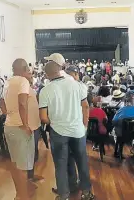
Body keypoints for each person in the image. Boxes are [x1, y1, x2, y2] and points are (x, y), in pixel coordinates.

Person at [39, 56, 95, 200]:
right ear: (60, 70)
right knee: (82, 162)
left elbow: (43, 117)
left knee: (60, 165)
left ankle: (64, 195)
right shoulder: (76, 85)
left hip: (58, 133)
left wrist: (56, 121)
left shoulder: (45, 90)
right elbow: (86, 106)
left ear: (46, 75)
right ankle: (87, 193)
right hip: (78, 131)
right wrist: (84, 125)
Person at [0, 59, 39, 199]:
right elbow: (22, 103)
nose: (29, 72)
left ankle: (19, 194)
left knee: (15, 163)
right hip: (20, 128)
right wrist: (25, 124)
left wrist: (9, 114)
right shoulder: (22, 81)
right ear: (23, 69)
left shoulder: (8, 81)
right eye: (27, 69)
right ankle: (23, 196)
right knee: (22, 167)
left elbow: (1, 102)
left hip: (9, 126)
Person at [112, 91, 134, 158]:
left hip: (124, 135)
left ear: (125, 100)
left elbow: (113, 122)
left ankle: (118, 151)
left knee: (115, 131)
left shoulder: (122, 110)